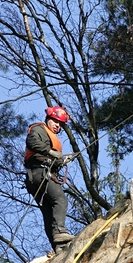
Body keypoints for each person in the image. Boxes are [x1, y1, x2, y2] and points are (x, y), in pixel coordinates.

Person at [24, 106, 75, 249]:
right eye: (55, 122)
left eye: (60, 125)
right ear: (48, 119)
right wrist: (51, 152)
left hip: (36, 177)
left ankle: (57, 245)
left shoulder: (50, 137)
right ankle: (60, 232)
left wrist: (62, 160)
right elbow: (32, 142)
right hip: (40, 173)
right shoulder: (39, 129)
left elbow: (52, 161)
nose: (58, 126)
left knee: (49, 212)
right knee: (60, 199)